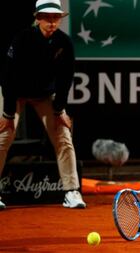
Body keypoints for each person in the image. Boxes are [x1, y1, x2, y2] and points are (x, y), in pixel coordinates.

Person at [0, 0, 86, 209]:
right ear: (37, 18)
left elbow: (66, 79)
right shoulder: (22, 39)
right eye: (47, 17)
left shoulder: (64, 42)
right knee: (3, 136)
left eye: (55, 17)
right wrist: (8, 114)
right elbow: (8, 76)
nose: (52, 22)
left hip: (46, 96)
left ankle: (71, 191)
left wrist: (59, 110)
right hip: (16, 93)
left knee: (63, 136)